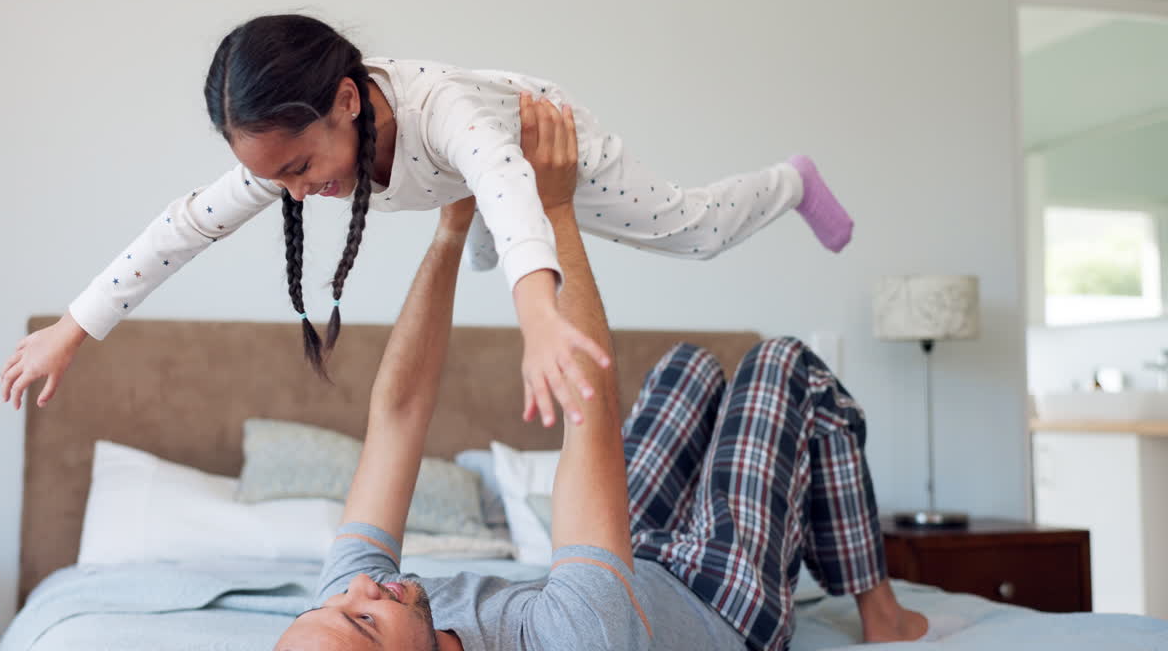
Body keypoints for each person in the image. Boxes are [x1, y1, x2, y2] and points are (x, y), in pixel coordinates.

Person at [273, 98, 928, 651]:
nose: (359, 589)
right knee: (779, 365)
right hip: (720, 601)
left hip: (633, 560)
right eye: (365, 619)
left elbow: (398, 414)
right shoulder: (570, 641)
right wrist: (556, 210)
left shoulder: (345, 611)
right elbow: (590, 416)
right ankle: (883, 613)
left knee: (688, 367)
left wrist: (451, 227)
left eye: (333, 605)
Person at [0, 14, 854, 423]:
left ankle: (792, 182)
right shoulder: (292, 148)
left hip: (536, 142)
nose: (293, 193)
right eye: (273, 179)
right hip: (465, 177)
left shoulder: (442, 110)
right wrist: (73, 329)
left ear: (346, 101)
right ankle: (468, 226)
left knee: (693, 233)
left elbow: (511, 186)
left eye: (299, 170)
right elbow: (184, 227)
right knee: (471, 212)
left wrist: (539, 318)